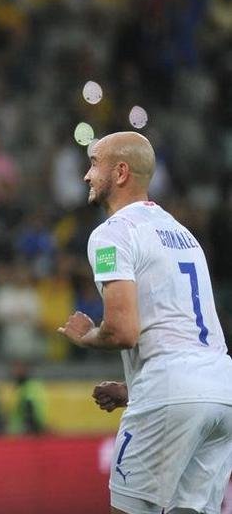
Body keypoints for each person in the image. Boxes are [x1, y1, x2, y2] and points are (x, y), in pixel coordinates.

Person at [59, 131, 232, 514]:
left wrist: (86, 335)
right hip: (222, 389)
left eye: (94, 164)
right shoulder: (183, 235)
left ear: (120, 172)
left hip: (171, 389)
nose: (87, 176)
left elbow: (123, 330)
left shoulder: (112, 234)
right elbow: (180, 334)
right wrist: (132, 388)